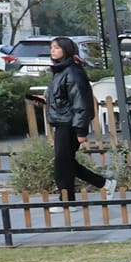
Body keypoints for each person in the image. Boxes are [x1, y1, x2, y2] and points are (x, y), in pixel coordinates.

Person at [44, 37, 107, 200]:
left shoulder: (72, 71)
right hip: (62, 122)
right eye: (51, 47)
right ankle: (104, 184)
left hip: (70, 124)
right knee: (65, 161)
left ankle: (67, 200)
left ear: (67, 50)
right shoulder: (60, 71)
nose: (52, 50)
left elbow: (80, 102)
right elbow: (62, 97)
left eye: (57, 47)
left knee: (62, 163)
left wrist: (80, 130)